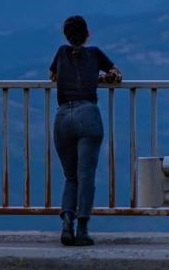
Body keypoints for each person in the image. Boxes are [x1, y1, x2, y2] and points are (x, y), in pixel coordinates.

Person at [49, 16, 121, 246]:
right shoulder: (95, 53)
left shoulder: (61, 53)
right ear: (87, 34)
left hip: (62, 116)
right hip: (88, 114)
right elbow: (116, 76)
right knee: (86, 175)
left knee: (71, 177)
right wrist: (95, 78)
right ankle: (82, 229)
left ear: (66, 36)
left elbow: (53, 76)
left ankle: (66, 225)